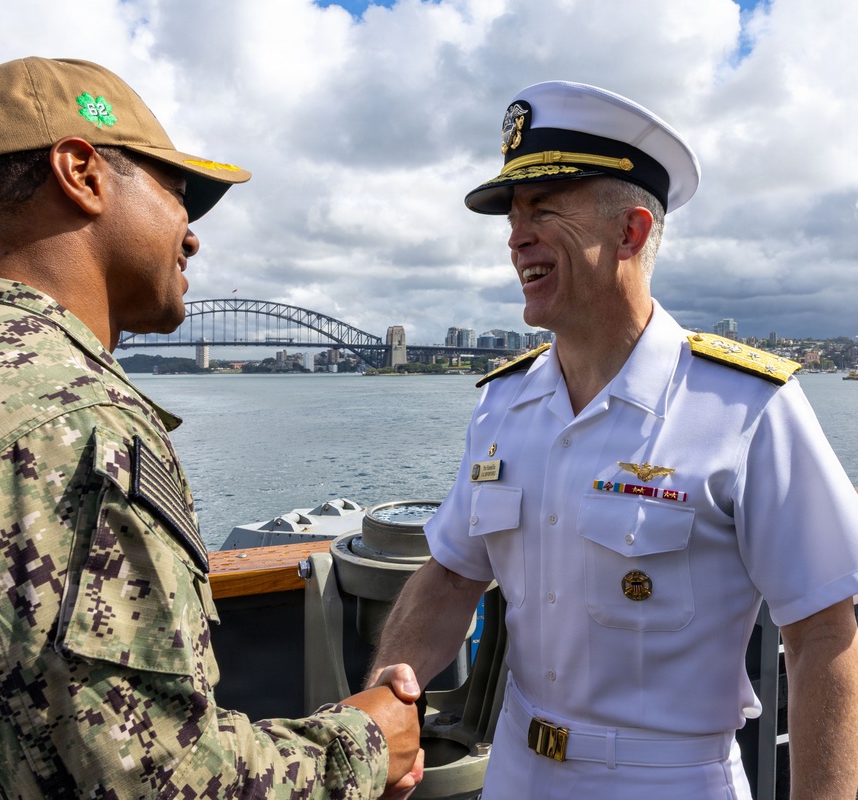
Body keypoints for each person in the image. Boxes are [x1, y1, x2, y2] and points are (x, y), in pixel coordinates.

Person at [0, 57, 422, 799]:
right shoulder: (58, 421)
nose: (191, 239)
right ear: (82, 173)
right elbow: (145, 781)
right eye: (179, 195)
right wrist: (365, 743)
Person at [368, 80, 858, 798]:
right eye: (513, 215)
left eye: (544, 209)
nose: (515, 235)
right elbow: (450, 575)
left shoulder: (746, 406)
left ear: (630, 232)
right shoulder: (504, 405)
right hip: (516, 773)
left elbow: (823, 635)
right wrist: (385, 702)